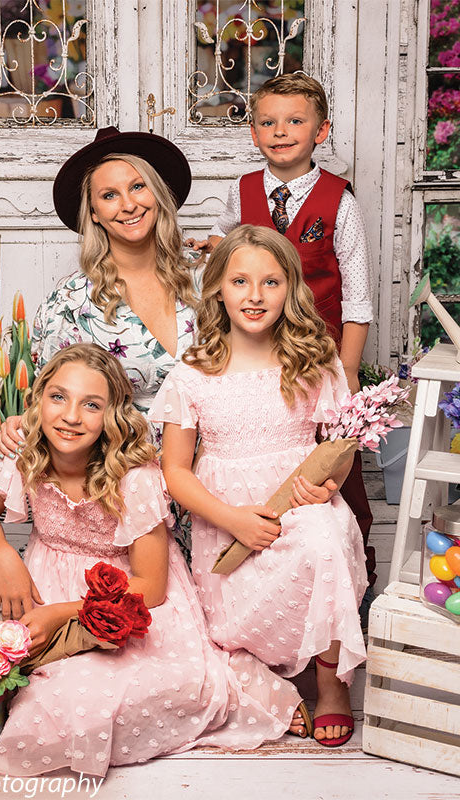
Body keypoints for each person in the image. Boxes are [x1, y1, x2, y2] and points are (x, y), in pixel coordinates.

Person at [0, 343, 310, 778]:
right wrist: (5, 558)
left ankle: (243, 685)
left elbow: (153, 586)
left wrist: (62, 614)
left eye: (91, 405)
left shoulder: (135, 476)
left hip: (127, 598)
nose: (71, 416)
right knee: (32, 702)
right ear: (36, 400)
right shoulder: (22, 451)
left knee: (108, 699)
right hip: (47, 582)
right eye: (58, 397)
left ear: (112, 417)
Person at [150, 226, 368, 748]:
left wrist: (326, 485)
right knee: (226, 633)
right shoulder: (194, 370)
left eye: (270, 282)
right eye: (240, 281)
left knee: (323, 540)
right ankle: (266, 670)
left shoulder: (314, 360)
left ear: (290, 289)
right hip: (226, 516)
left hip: (299, 498)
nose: (254, 295)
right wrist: (232, 519)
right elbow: (175, 471)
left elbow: (339, 448)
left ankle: (331, 679)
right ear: (218, 289)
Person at [188, 71, 377, 603]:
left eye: (295, 120)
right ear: (253, 133)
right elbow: (232, 237)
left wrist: (350, 369)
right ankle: (260, 577)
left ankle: (351, 577)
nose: (280, 130)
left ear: (321, 130)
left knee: (335, 465)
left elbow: (358, 295)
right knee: (263, 450)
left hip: (317, 353)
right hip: (256, 351)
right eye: (267, 122)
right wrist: (215, 245)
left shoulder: (339, 200)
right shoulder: (242, 189)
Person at [0, 126, 201, 551]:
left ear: (157, 194)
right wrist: (16, 426)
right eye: (109, 196)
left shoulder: (207, 277)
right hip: (126, 488)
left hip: (216, 475)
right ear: (92, 212)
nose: (128, 205)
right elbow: (46, 398)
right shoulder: (72, 302)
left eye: (138, 187)